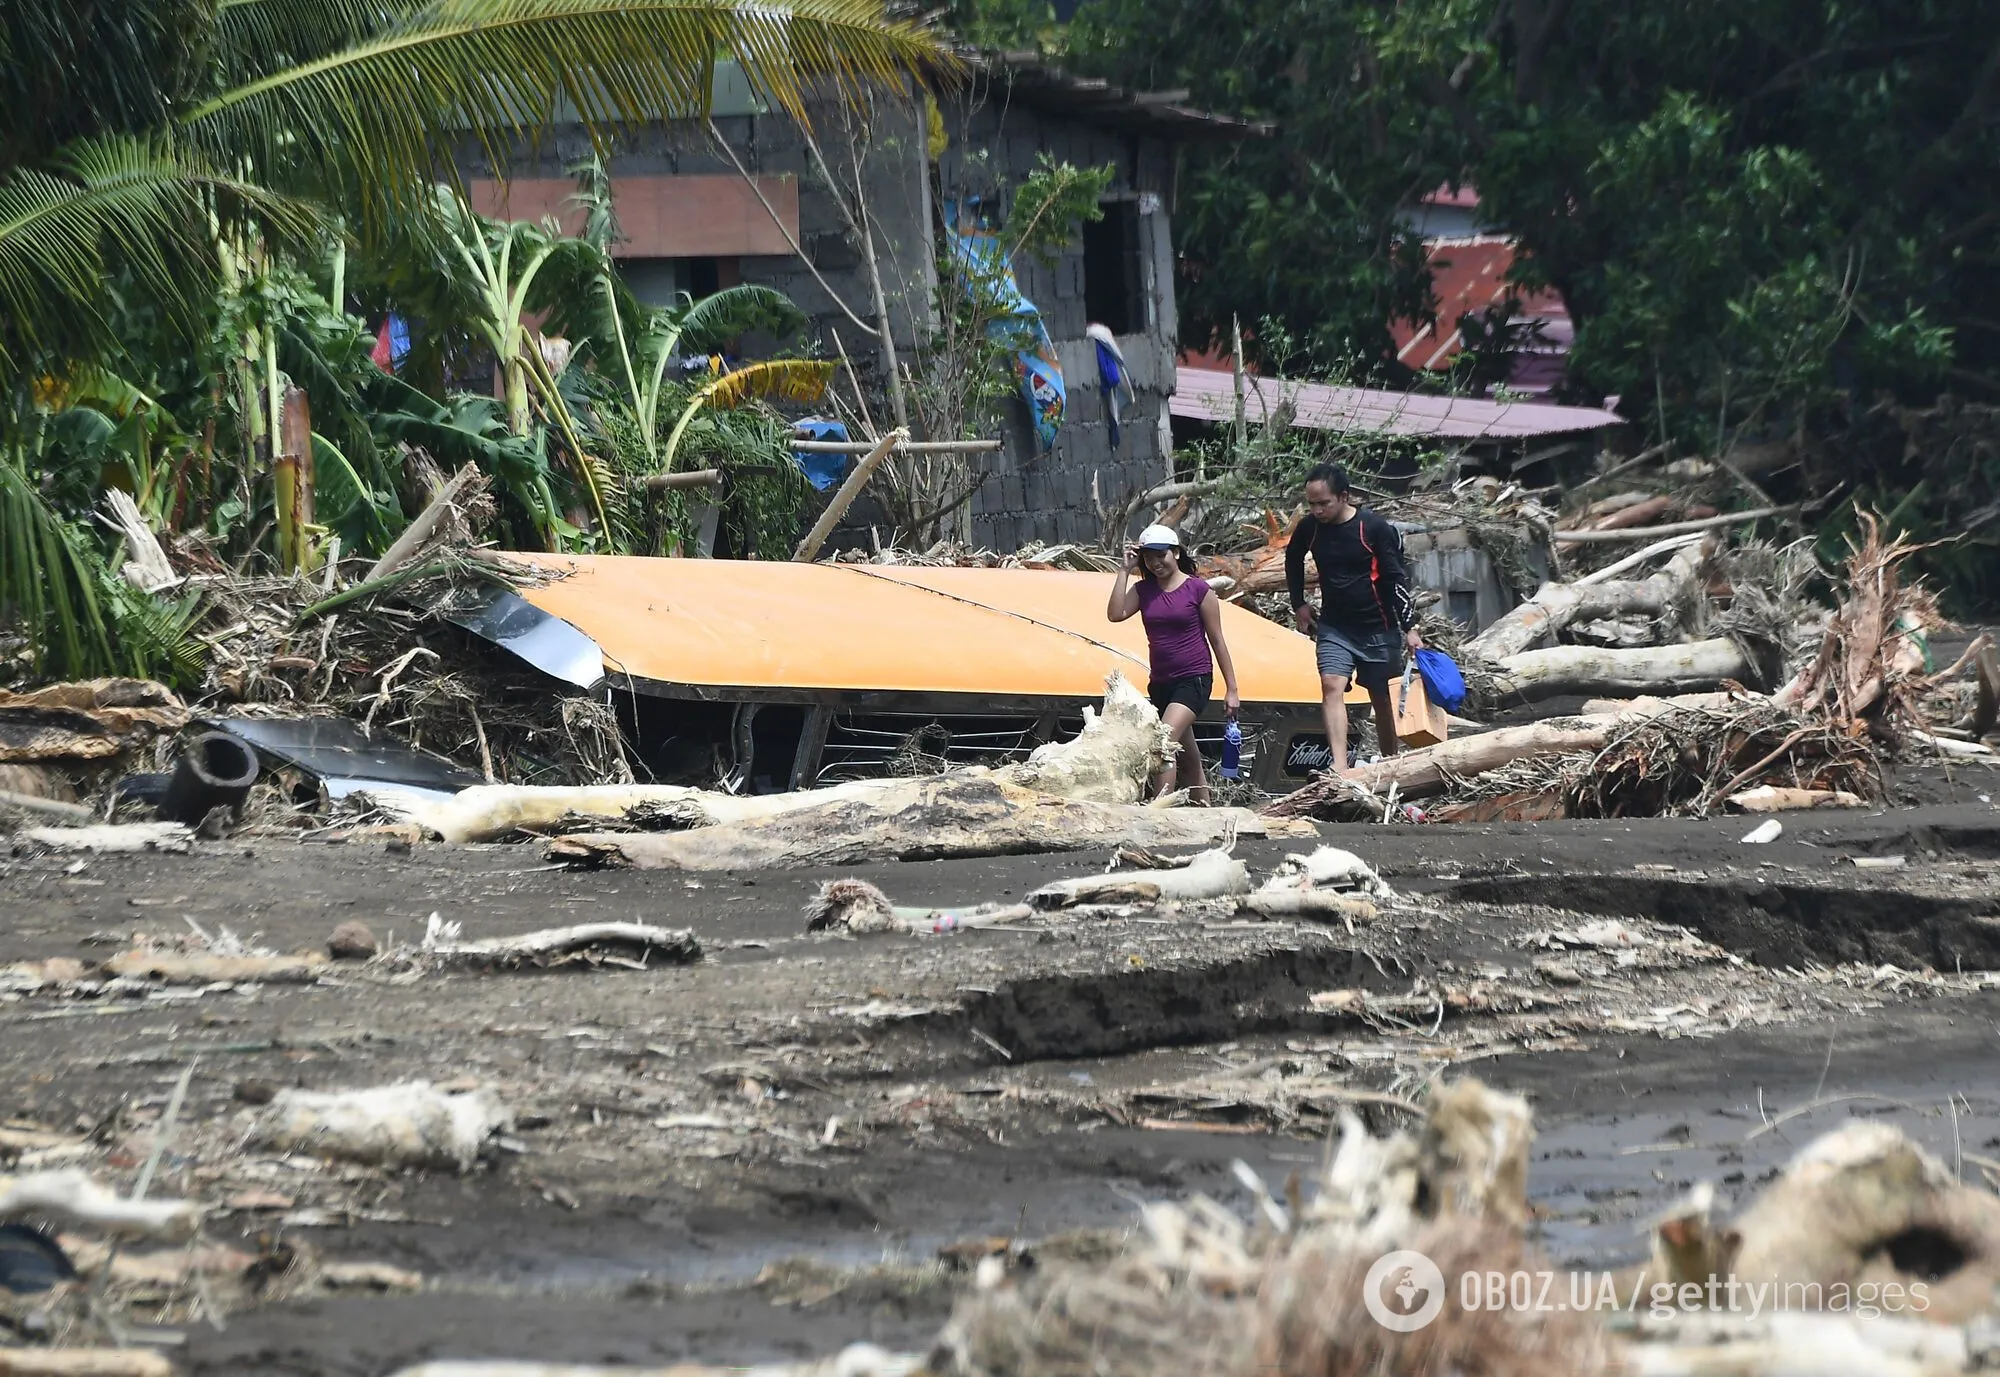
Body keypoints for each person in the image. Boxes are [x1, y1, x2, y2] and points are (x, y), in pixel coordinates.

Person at [1284, 463, 1421, 774]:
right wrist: (1299, 604)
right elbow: (1292, 558)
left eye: (1324, 503)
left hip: (1377, 627)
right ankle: (1340, 767)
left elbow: (1395, 578)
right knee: (1332, 684)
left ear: (1343, 497)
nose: (1317, 510)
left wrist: (1410, 627)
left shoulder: (1373, 528)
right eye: (1312, 504)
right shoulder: (1311, 528)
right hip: (1335, 626)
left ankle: (1389, 763)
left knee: (1381, 698)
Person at [1106, 523, 1241, 803]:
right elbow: (1115, 614)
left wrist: (1232, 689)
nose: (1155, 563)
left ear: (1176, 553)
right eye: (1148, 557)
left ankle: (1160, 811)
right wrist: (1124, 571)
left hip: (1194, 678)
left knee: (1162, 744)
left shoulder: (1198, 590)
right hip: (1161, 683)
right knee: (1188, 758)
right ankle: (1207, 812)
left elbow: (1217, 640)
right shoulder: (1144, 591)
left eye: (1161, 555)